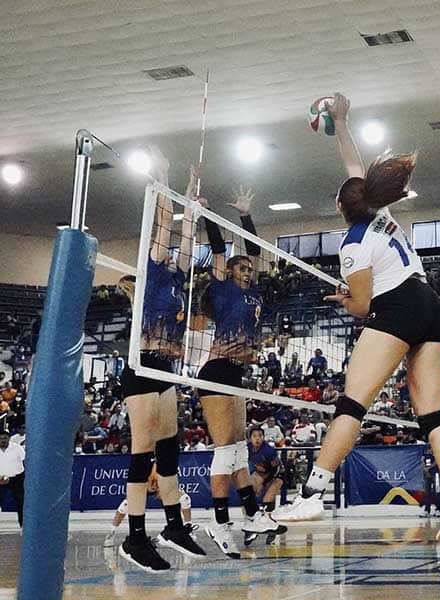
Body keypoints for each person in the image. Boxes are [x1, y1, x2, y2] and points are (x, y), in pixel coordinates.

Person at [272, 93, 440, 542]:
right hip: (429, 304)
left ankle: (312, 494)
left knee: (352, 403)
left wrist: (349, 302)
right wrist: (342, 121)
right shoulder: (381, 211)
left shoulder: (353, 244)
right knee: (432, 413)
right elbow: (355, 168)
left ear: (343, 209)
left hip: (397, 306)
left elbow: (364, 307)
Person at [115, 152, 205, 571]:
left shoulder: (176, 278)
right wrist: (166, 179)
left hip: (164, 367)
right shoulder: (151, 270)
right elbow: (165, 226)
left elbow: (185, 238)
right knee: (143, 450)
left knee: (170, 448)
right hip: (141, 365)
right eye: (164, 249)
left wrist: (193, 201)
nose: (170, 252)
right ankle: (134, 537)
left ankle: (172, 526)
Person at [194, 183, 282, 557]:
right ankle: (219, 523)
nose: (248, 270)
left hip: (237, 375)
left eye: (249, 268)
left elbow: (257, 252)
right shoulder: (223, 287)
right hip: (215, 370)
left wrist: (246, 214)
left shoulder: (253, 292)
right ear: (230, 273)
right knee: (225, 451)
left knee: (241, 451)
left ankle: (251, 514)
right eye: (241, 267)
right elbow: (218, 250)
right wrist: (206, 215)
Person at [104, 465, 193, 548]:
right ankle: (112, 532)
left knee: (185, 498)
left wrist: (163, 491)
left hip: (161, 486)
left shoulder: (168, 466)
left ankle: (188, 528)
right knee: (125, 506)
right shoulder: (145, 466)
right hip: (142, 486)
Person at [247, 427, 284, 544]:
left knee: (267, 500)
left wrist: (264, 483)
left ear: (263, 438)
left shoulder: (269, 451)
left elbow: (276, 469)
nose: (257, 439)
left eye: (260, 436)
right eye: (254, 436)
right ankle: (253, 525)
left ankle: (271, 530)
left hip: (277, 474)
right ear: (250, 438)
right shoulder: (247, 449)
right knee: (249, 492)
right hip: (261, 473)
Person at [0, 430, 25, 529]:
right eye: (1, 438)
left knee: (20, 502)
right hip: (0, 479)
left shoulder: (17, 448)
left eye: (5, 438)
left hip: (16, 479)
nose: (2, 440)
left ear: (9, 438)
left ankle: (23, 526)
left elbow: (25, 460)